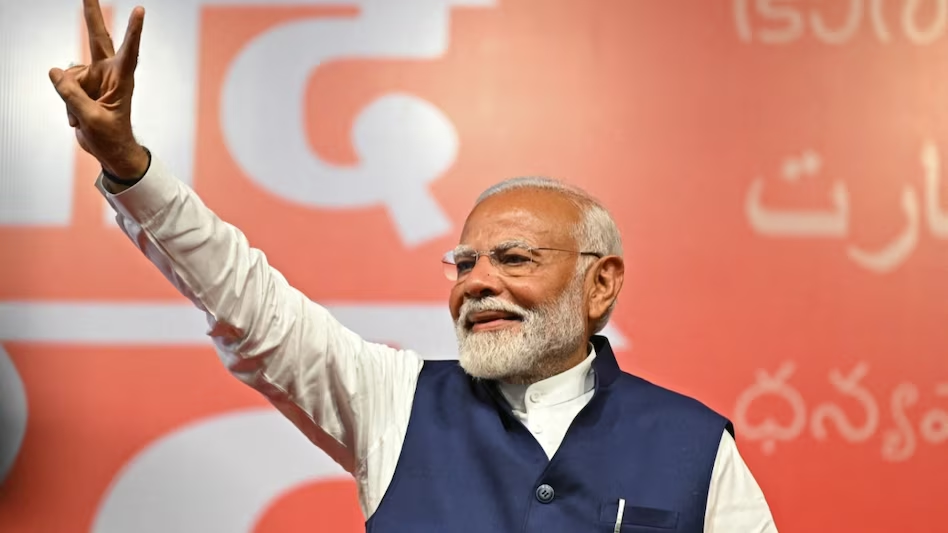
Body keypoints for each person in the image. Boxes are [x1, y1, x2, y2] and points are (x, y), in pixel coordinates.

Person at [48, 1, 778, 531]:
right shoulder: (394, 401)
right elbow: (251, 303)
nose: (477, 281)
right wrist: (128, 166)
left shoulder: (694, 444)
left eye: (513, 257)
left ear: (601, 282)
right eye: (464, 261)